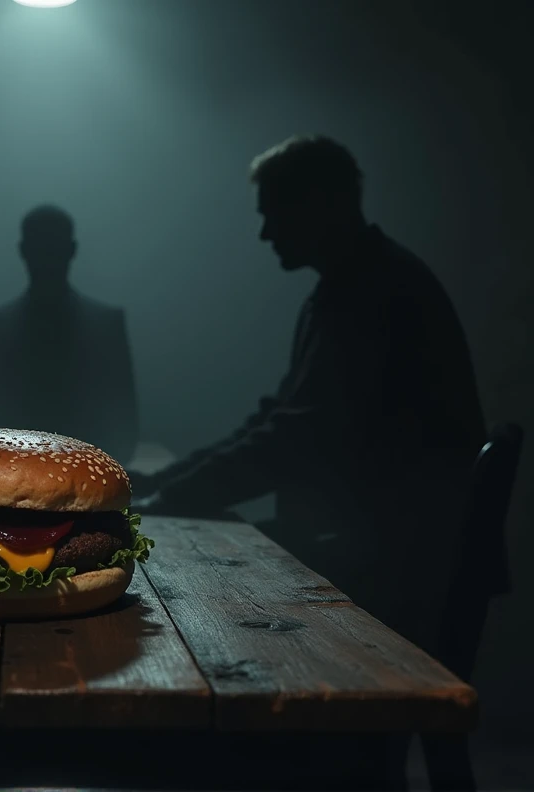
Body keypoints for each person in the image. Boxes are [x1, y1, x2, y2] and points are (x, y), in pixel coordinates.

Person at [130, 135, 486, 651]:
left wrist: (172, 496)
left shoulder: (369, 293)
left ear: (318, 203)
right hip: (382, 543)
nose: (264, 232)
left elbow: (296, 436)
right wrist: (168, 480)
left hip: (395, 562)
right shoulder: (356, 284)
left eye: (273, 212)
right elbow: (278, 417)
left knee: (200, 601)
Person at [0, 205, 138, 465]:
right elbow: (124, 420)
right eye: (42, 248)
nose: (46, 258)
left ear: (22, 250)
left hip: (29, 476)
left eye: (51, 248)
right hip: (54, 475)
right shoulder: (106, 323)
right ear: (72, 250)